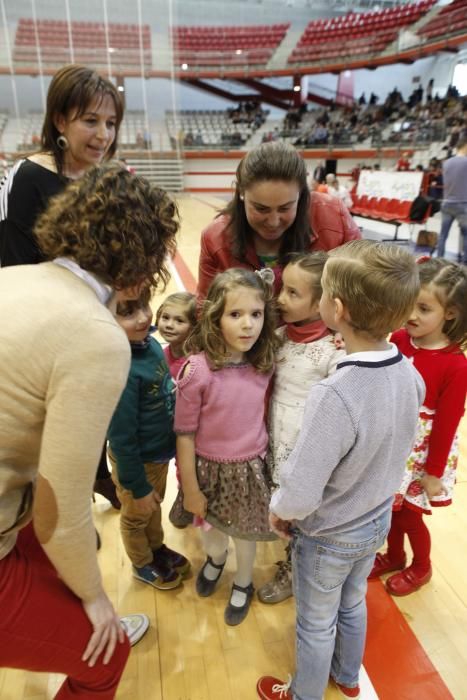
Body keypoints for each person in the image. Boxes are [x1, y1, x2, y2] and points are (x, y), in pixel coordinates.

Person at [0, 163, 179, 698]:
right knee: (106, 654)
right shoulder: (95, 335)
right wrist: (96, 596)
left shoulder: (12, 277)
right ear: (145, 262)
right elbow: (63, 504)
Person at [256, 240, 424, 700]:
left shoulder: (335, 394)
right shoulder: (409, 372)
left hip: (328, 534)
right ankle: (347, 676)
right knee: (352, 603)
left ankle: (303, 694)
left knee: (314, 623)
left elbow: (302, 487)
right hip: (376, 521)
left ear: (336, 308)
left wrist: (280, 511)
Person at [0, 63, 124, 509]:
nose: (103, 134)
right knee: (49, 436)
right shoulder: (28, 178)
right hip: (43, 334)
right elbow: (15, 269)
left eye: (110, 123)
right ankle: (52, 521)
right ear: (60, 121)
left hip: (93, 326)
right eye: (90, 121)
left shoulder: (105, 178)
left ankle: (92, 481)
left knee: (91, 421)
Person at [173, 268, 279, 626]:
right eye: (236, 315)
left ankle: (244, 582)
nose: (248, 325)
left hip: (250, 468)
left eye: (256, 314)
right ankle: (216, 561)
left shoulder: (264, 362)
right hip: (208, 470)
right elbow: (185, 434)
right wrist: (189, 488)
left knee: (246, 535)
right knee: (213, 534)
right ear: (215, 316)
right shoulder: (197, 371)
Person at [369, 258, 467, 596]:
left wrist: (434, 473)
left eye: (423, 308)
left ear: (450, 314)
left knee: (410, 517)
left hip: (422, 458)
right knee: (388, 508)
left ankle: (421, 565)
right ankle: (394, 555)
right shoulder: (397, 338)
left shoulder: (455, 364)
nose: (412, 314)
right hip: (392, 443)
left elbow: (447, 424)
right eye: (410, 302)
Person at [257, 252, 345, 605]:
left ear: (323, 302)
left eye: (293, 293)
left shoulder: (333, 351)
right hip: (273, 438)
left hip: (305, 446)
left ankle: (298, 570)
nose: (280, 299)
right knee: (284, 508)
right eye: (282, 289)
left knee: (305, 514)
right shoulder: (277, 336)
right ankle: (293, 559)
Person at [197, 142, 360, 301]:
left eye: (284, 208)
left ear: (301, 195)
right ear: (241, 192)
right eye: (261, 209)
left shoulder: (334, 216)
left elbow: (364, 290)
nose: (273, 222)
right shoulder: (215, 238)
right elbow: (205, 310)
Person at [107, 287, 190, 591]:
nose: (143, 317)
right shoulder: (121, 369)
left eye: (143, 306)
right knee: (135, 516)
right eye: (128, 312)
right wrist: (136, 486)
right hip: (137, 464)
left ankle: (156, 549)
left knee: (152, 509)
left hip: (156, 456)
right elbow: (121, 439)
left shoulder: (149, 344)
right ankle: (142, 563)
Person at [436, 138, 467, 264]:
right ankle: (465, 264)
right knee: (466, 235)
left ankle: (438, 260)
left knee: (443, 235)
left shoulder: (446, 162)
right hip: (462, 204)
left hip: (447, 203)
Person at [156, 291, 197, 379]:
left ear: (193, 326)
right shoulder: (161, 355)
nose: (169, 325)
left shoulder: (196, 363)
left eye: (179, 321)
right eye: (165, 317)